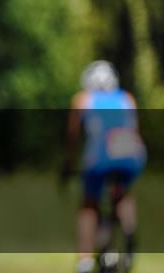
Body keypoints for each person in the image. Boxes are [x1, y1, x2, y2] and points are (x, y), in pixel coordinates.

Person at [63, 61, 146, 273]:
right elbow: (134, 129)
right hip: (131, 152)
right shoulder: (127, 98)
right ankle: (128, 231)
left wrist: (69, 163)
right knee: (122, 193)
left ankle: (85, 261)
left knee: (89, 204)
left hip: (101, 154)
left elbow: (72, 136)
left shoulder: (84, 99)